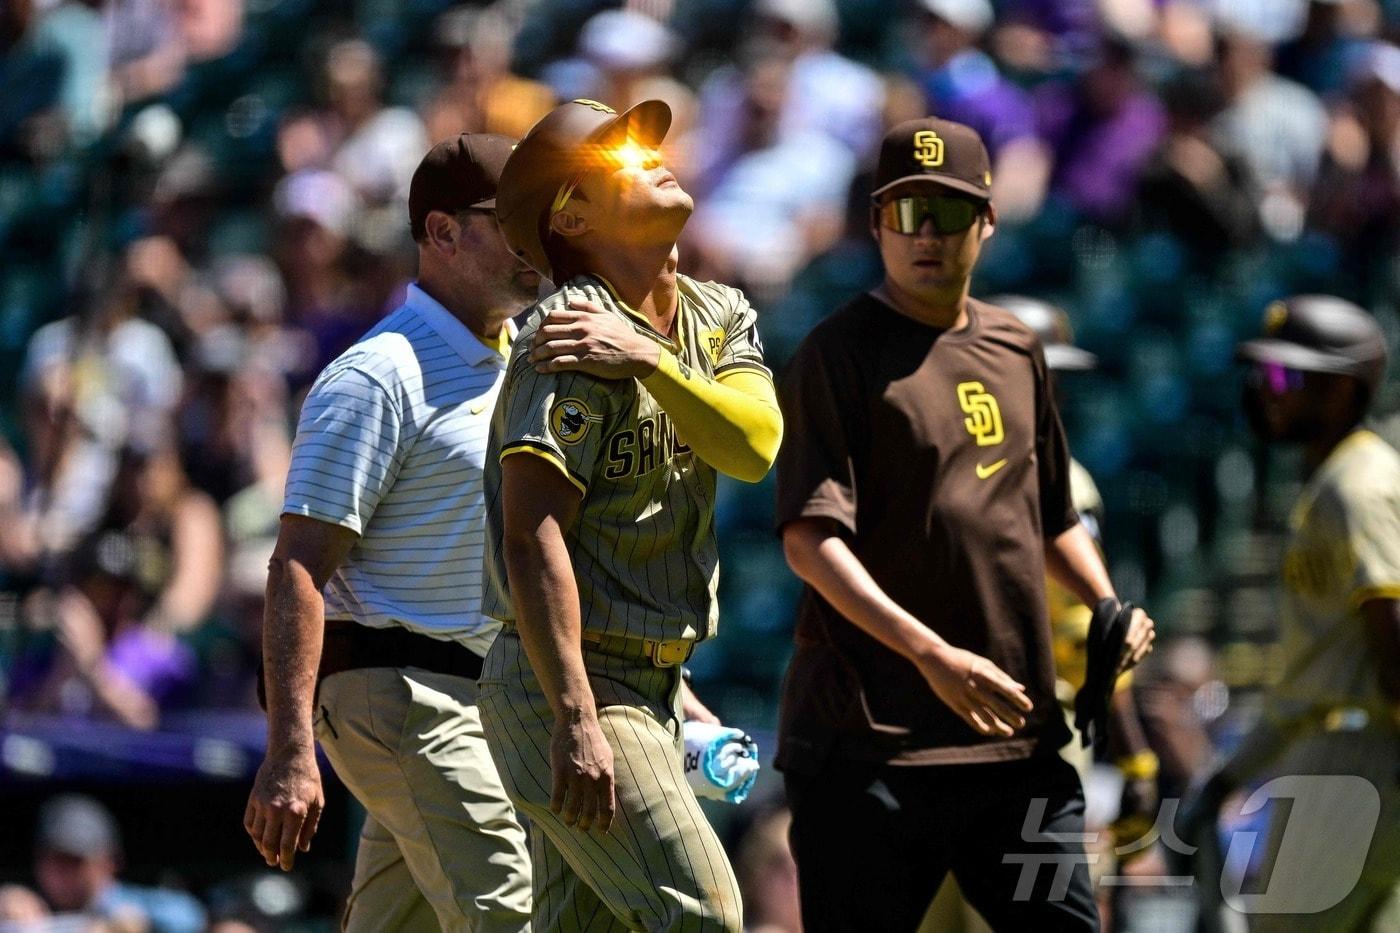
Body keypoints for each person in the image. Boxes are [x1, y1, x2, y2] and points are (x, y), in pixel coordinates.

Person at [774, 117, 1154, 931]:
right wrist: (931, 653)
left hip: (1012, 743)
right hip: (869, 741)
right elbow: (809, 540)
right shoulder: (835, 354)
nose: (928, 236)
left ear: (986, 222)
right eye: (907, 214)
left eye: (949, 214)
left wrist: (1104, 601)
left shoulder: (1018, 348)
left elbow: (1052, 513)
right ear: (876, 223)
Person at [480, 97, 782, 931]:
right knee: (705, 912)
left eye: (646, 143)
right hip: (570, 684)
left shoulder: (716, 313)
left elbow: (755, 444)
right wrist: (575, 713)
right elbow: (530, 531)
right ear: (571, 215)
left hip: (649, 680)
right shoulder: (567, 334)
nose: (649, 155)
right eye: (614, 156)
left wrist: (651, 359)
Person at [243, 133, 537, 932]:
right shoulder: (379, 374)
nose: (537, 236)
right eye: (512, 217)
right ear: (442, 232)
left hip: (477, 694)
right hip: (401, 689)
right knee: (512, 909)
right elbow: (298, 567)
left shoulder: (523, 360)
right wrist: (289, 749)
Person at [1185, 295, 1399, 931]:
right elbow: (1312, 675)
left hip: (1355, 755)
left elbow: (1393, 629)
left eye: (1285, 375)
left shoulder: (1356, 485)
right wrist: (1233, 773)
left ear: (1341, 391)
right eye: (1263, 375)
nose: (1266, 389)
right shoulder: (1337, 479)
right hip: (1341, 746)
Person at [33, 794, 205, 932]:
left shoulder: (130, 907)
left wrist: (136, 923)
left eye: (73, 861)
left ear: (110, 860)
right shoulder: (31, 913)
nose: (61, 873)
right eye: (52, 861)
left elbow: (189, 915)